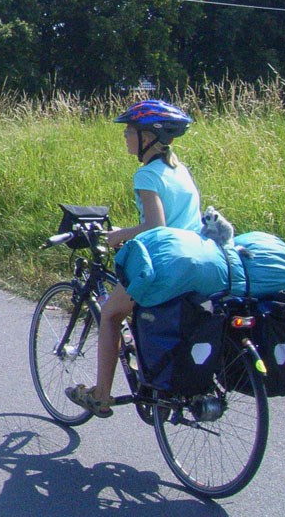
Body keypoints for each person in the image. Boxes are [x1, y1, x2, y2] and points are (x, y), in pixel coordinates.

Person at [66, 99, 200, 418]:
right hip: (196, 260)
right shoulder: (180, 171)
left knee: (111, 313)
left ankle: (100, 395)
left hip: (168, 263)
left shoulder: (147, 176)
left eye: (130, 130)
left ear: (148, 137)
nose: (125, 136)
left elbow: (157, 225)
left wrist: (120, 234)